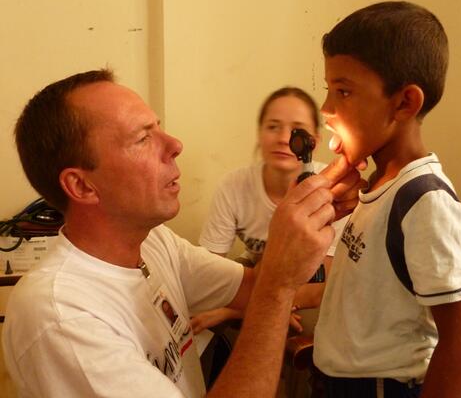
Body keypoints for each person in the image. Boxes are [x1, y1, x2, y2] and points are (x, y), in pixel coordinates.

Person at [2, 69, 363, 398]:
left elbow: (255, 286)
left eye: (158, 127)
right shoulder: (60, 316)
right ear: (82, 186)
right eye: (143, 138)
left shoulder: (154, 242)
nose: (175, 145)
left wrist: (323, 217)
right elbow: (270, 290)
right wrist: (278, 286)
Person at [312, 1, 461, 398]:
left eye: (343, 91)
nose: (327, 109)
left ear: (404, 103)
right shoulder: (376, 185)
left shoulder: (423, 200)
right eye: (329, 90)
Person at [192, 87, 349, 335]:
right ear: (260, 134)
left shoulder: (331, 190)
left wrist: (233, 311)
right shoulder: (234, 186)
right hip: (261, 278)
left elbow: (315, 291)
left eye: (297, 130)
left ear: (314, 141)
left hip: (310, 298)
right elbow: (209, 271)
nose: (284, 138)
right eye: (273, 127)